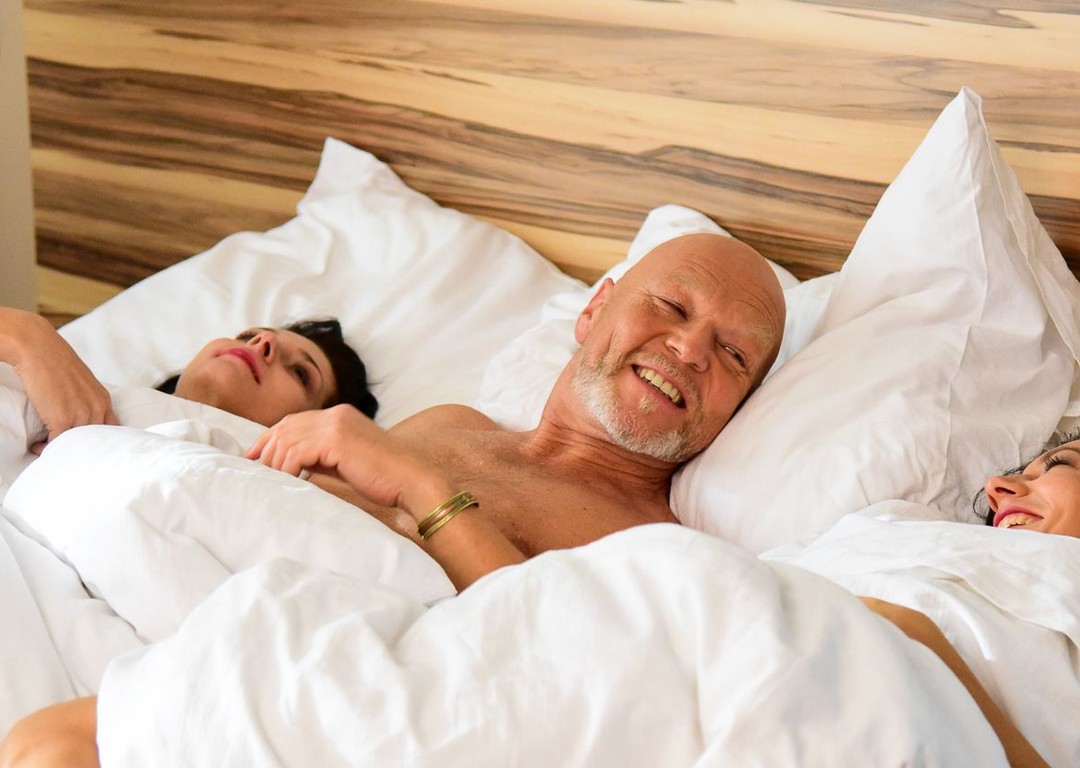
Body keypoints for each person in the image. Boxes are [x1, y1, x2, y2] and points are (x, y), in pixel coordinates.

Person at [0, 230, 789, 768]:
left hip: (289, 686)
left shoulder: (660, 547)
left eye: (732, 354)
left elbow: (556, 672)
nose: (690, 348)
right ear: (593, 310)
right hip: (132, 581)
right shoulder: (453, 422)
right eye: (672, 307)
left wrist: (420, 486)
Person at [0, 308, 378, 453]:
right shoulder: (76, 386)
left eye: (300, 373)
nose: (262, 343)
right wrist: (25, 336)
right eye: (248, 336)